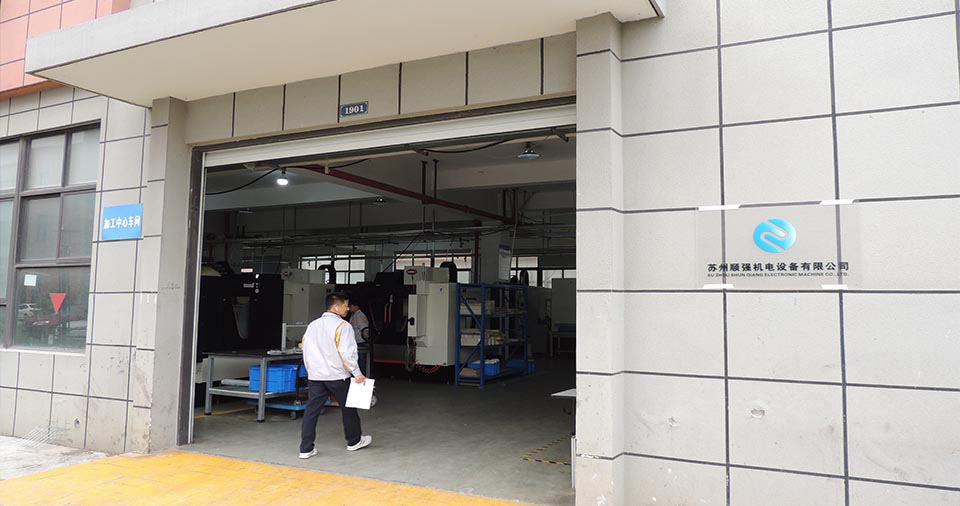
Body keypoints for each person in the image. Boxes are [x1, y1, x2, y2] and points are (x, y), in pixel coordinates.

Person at [299, 292, 372, 459]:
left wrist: (312, 371)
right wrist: (357, 374)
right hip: (338, 376)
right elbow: (347, 353)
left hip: (316, 377)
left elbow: (305, 349)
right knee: (348, 409)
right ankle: (354, 441)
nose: (348, 309)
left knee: (311, 412)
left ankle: (305, 449)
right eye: (345, 305)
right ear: (336, 307)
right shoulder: (343, 326)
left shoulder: (313, 325)